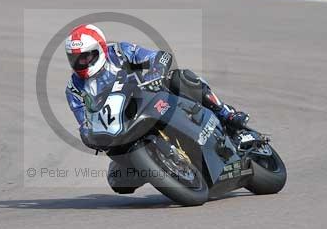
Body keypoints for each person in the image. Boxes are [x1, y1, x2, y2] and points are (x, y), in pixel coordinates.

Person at [64, 24, 250, 191]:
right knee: (118, 181)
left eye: (86, 56)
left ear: (101, 49)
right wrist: (88, 136)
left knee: (181, 78)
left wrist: (155, 74)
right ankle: (160, 168)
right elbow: (83, 122)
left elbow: (159, 57)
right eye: (76, 59)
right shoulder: (74, 88)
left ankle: (226, 114)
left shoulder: (120, 52)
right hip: (119, 130)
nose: (82, 63)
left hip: (148, 101)